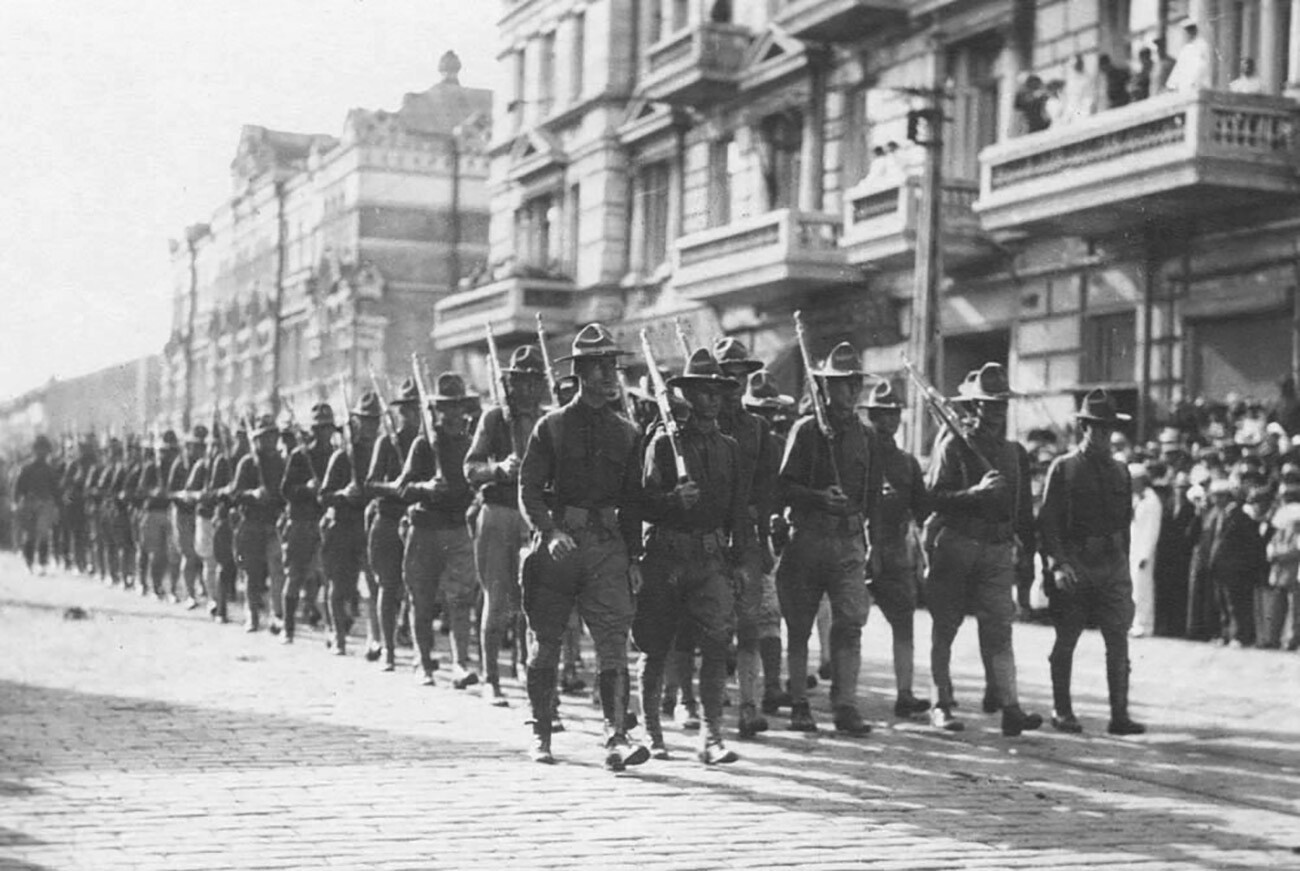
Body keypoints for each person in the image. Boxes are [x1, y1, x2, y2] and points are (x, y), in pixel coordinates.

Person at [517, 323, 649, 769]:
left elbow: (633, 501)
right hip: (560, 547)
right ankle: (541, 731)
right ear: (581, 372)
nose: (611, 375)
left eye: (613, 365)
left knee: (613, 641)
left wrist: (634, 556)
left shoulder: (627, 433)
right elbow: (529, 489)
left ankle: (616, 736)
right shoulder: (551, 428)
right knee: (547, 641)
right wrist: (549, 532)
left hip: (608, 547)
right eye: (600, 366)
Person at [636, 348, 745, 764]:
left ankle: (711, 735)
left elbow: (737, 510)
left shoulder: (729, 448)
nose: (712, 399)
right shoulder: (665, 443)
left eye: (717, 391)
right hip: (666, 556)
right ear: (688, 395)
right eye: (702, 391)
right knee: (656, 644)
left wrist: (740, 562)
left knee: (717, 643)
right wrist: (671, 500)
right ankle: (652, 731)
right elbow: (641, 502)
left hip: (710, 559)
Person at [925, 363, 1041, 736]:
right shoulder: (954, 445)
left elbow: (1023, 509)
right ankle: (940, 703)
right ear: (973, 407)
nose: (996, 413)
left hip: (997, 549)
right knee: (945, 628)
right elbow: (934, 498)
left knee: (1000, 631)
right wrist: (974, 494)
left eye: (1001, 405)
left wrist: (1027, 553)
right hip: (958, 543)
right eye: (989, 405)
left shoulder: (1014, 452)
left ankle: (1011, 706)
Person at [776, 341, 879, 736]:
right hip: (808, 539)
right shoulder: (805, 431)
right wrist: (817, 497)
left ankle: (846, 704)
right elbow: (783, 486)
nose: (852, 391)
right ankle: (800, 701)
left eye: (856, 383)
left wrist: (872, 540)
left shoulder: (866, 436)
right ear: (826, 387)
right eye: (843, 383)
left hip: (848, 543)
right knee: (800, 626)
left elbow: (871, 496)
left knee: (850, 623)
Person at [1038, 390, 1145, 736]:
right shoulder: (1064, 468)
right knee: (1067, 638)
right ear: (1082, 427)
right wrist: (1058, 564)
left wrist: (1124, 572)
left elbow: (1124, 526)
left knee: (1118, 639)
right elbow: (1049, 524)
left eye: (1107, 427)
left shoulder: (1121, 472)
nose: (1101, 434)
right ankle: (1062, 710)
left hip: (1112, 566)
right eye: (1094, 427)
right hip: (1076, 563)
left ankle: (1119, 715)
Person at [465, 346, 550, 705]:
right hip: (499, 512)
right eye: (522, 382)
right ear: (510, 385)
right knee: (497, 597)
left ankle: (530, 675)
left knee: (532, 600)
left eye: (535, 382)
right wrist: (498, 469)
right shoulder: (494, 420)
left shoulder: (549, 421)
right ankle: (491, 678)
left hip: (534, 515)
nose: (529, 390)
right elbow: (470, 468)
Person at [713, 337, 780, 739]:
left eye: (742, 377)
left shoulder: (758, 429)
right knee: (711, 624)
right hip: (709, 534)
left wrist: (764, 525)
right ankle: (707, 700)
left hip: (747, 538)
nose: (735, 384)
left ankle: (750, 704)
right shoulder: (697, 425)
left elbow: (770, 488)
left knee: (749, 623)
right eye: (727, 376)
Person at [398, 373, 480, 689]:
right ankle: (423, 661)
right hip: (425, 529)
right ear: (438, 410)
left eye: (458, 406)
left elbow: (480, 481)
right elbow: (402, 488)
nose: (453, 413)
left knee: (460, 598)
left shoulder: (472, 444)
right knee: (422, 597)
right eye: (447, 407)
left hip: (459, 529)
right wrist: (426, 486)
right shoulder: (424, 444)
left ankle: (460, 664)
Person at [860, 381, 931, 718]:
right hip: (858, 548)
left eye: (894, 415)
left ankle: (905, 692)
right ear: (871, 417)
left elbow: (923, 510)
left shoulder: (907, 463)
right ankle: (843, 694)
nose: (888, 422)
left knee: (904, 622)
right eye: (881, 415)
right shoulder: (856, 455)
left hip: (894, 550)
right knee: (849, 622)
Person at [319, 391, 382, 655]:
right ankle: (338, 635)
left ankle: (374, 638)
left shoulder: (381, 451)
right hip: (342, 526)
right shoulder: (342, 457)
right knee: (339, 586)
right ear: (355, 422)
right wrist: (343, 493)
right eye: (364, 421)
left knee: (372, 584)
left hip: (368, 527)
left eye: (373, 421)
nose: (369, 427)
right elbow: (324, 496)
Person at [367, 379, 421, 670]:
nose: (412, 415)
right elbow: (371, 482)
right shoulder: (387, 442)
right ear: (399, 412)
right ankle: (388, 649)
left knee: (417, 590)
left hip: (418, 521)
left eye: (416, 409)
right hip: (389, 520)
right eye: (407, 410)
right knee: (389, 586)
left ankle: (416, 652)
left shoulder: (427, 443)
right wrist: (395, 487)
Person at [279, 404, 336, 643]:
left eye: (328, 428)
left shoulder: (337, 454)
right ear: (313, 430)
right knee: (295, 575)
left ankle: (331, 629)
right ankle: (288, 627)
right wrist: (307, 488)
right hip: (301, 521)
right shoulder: (300, 456)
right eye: (320, 428)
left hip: (326, 521)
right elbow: (286, 490)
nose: (324, 432)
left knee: (328, 576)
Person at [227, 414, 287, 633]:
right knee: (252, 573)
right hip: (251, 523)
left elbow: (286, 492)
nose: (269, 441)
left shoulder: (281, 462)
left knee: (277, 571)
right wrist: (253, 494)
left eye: (273, 436)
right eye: (265, 436)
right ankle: (252, 614)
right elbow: (235, 494)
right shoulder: (248, 462)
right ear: (258, 439)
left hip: (273, 524)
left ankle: (277, 614)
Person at [168, 426, 207, 610]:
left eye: (202, 446)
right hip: (183, 513)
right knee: (188, 554)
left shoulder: (206, 464)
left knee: (202, 553)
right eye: (195, 446)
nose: (199, 450)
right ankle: (190, 594)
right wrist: (182, 495)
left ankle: (203, 588)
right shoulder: (180, 464)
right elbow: (169, 492)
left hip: (200, 514)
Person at [137, 431, 180, 600]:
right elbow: (141, 490)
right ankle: (151, 584)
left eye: (171, 451)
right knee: (153, 551)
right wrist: (154, 492)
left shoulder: (176, 467)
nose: (167, 454)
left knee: (170, 554)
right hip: (153, 511)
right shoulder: (151, 467)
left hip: (171, 511)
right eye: (165, 451)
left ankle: (169, 587)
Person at [13, 435, 60, 574]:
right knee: (30, 534)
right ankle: (29, 562)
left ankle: (42, 563)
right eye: (39, 449)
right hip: (29, 503)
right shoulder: (26, 469)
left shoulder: (50, 470)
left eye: (44, 450)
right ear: (34, 450)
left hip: (45, 503)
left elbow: (56, 490)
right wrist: (16, 503)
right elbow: (18, 487)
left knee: (44, 533)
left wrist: (58, 506)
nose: (42, 453)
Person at [1263, 482, 1300, 650]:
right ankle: (1272, 637)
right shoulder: (1281, 524)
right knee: (1276, 606)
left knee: (1294, 607)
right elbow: (1272, 543)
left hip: (1293, 571)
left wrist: (1278, 554)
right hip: (1280, 571)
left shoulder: (1297, 525)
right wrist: (1272, 553)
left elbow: (1296, 550)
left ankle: (1291, 640)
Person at [1129, 463, 1162, 637]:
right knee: (1134, 589)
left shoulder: (1152, 501)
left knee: (1144, 589)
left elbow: (1152, 530)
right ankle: (1136, 623)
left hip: (1144, 553)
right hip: (1134, 549)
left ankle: (1146, 625)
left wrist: (1146, 554)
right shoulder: (1137, 499)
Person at [1168, 22, 1212, 92]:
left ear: (1195, 31)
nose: (1189, 33)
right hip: (1185, 86)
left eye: (1191, 30)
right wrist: (1172, 83)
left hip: (1198, 83)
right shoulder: (1185, 49)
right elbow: (1179, 67)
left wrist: (1197, 79)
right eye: (1187, 31)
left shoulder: (1202, 45)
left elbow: (1205, 64)